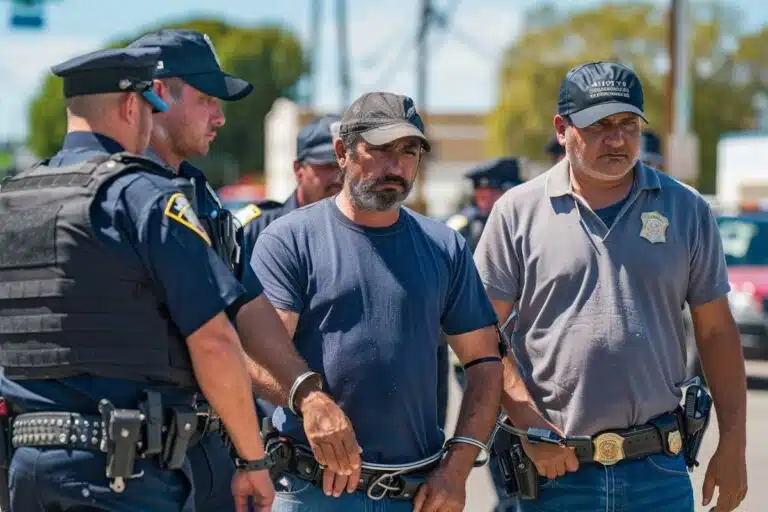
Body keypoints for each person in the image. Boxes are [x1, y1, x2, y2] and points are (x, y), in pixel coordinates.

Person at [0, 46, 360, 512]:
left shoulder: (15, 199)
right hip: (125, 471)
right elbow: (215, 342)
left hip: (26, 466)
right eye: (152, 107)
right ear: (133, 106)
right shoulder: (141, 195)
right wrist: (253, 461)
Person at [474, 61, 748, 511]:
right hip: (554, 473)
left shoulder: (686, 209)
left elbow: (716, 332)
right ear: (562, 129)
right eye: (599, 126)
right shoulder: (517, 213)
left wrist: (734, 445)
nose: (617, 139)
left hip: (658, 472)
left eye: (627, 124)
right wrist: (524, 416)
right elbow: (480, 335)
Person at [247, 91, 504, 511]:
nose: (396, 164)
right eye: (379, 149)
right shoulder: (290, 240)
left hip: (417, 494)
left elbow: (484, 364)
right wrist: (308, 400)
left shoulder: (444, 247)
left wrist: (456, 471)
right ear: (342, 153)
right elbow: (256, 356)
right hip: (315, 492)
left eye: (409, 150)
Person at [235, 114, 343, 281]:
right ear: (298, 170)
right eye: (328, 166)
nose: (339, 176)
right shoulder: (253, 229)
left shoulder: (367, 229)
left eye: (345, 166)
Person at [446, 157, 523, 253]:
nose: (486, 197)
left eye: (493, 192)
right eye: (481, 193)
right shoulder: (462, 223)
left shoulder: (519, 220)